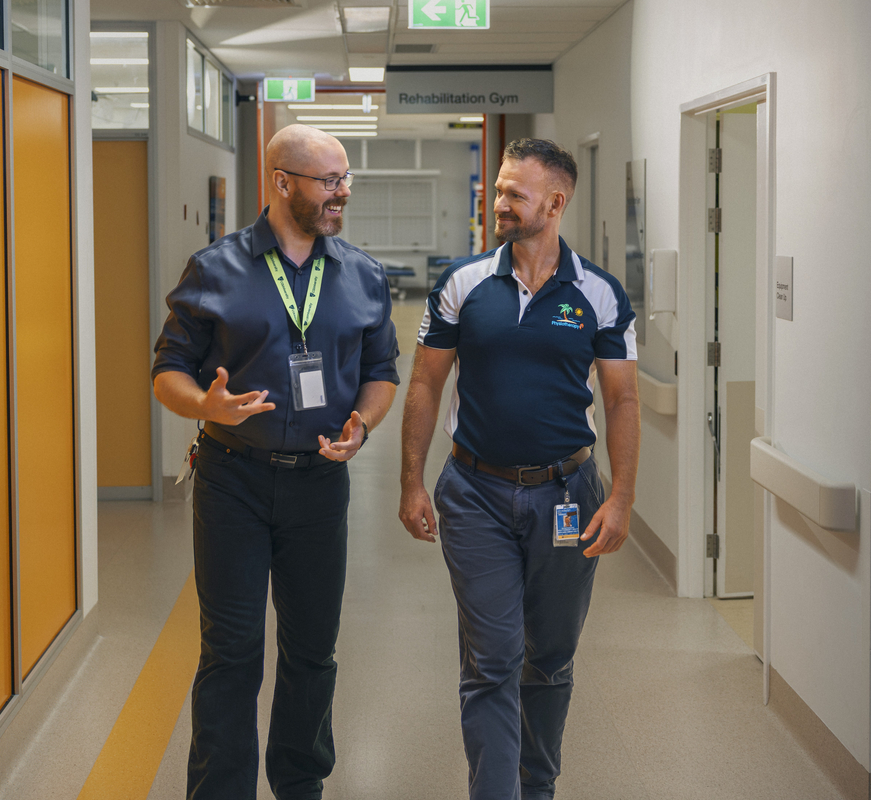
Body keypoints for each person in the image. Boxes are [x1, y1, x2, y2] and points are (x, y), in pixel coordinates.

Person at [152, 124, 400, 800]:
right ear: (282, 182)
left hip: (320, 484)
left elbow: (382, 372)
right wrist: (208, 406)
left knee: (312, 652)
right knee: (231, 654)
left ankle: (300, 784)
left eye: (346, 179)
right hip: (232, 480)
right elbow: (166, 369)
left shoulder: (363, 275)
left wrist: (364, 425)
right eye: (329, 181)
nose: (342, 193)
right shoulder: (215, 268)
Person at [398, 138, 640, 800]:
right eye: (499, 189)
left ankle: (539, 787)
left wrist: (619, 498)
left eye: (514, 193)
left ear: (556, 203)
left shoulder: (600, 294)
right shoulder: (464, 284)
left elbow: (621, 398)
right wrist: (412, 481)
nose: (499, 202)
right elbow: (424, 384)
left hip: (567, 494)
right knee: (493, 657)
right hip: (474, 492)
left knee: (551, 659)